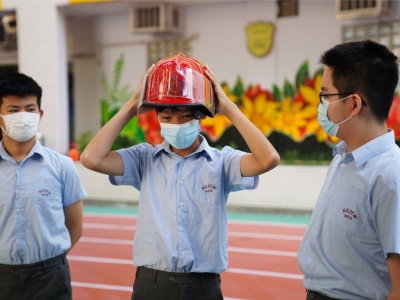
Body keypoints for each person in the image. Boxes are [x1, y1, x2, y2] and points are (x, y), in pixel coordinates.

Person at [80, 53, 280, 300]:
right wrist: (132, 105)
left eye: (186, 116)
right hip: (150, 284)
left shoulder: (221, 163)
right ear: (157, 119)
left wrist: (228, 107)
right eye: (167, 117)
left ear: (201, 116)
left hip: (202, 287)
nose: (176, 123)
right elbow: (91, 158)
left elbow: (268, 159)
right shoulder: (144, 159)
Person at [297, 40, 400, 300]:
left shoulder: (390, 176)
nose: (320, 106)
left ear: (353, 104)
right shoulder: (343, 157)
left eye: (325, 95)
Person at [0, 73, 87, 300]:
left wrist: (47, 265)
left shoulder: (63, 166)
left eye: (30, 109)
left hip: (49, 277)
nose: (23, 116)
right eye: (13, 110)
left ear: (40, 114)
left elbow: (75, 229)